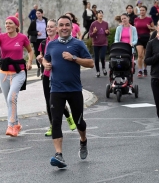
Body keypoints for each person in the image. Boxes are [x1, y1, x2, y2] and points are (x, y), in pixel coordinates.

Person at [43, 15, 94, 168]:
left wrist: (74, 58)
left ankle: (83, 141)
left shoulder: (78, 44)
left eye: (67, 25)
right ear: (57, 28)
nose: (64, 27)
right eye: (61, 25)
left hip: (74, 89)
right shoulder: (51, 45)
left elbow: (91, 63)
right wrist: (45, 64)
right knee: (56, 121)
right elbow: (46, 58)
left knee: (79, 122)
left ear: (71, 27)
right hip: (56, 90)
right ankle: (59, 155)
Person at [0, 16, 34, 137]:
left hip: (19, 73)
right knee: (9, 101)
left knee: (12, 98)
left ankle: (11, 126)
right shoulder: (1, 37)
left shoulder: (22, 38)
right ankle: (16, 123)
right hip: (3, 74)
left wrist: (29, 61)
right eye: (6, 23)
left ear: (16, 25)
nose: (8, 25)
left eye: (10, 23)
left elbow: (30, 51)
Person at [36, 19, 76, 136]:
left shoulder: (61, 42)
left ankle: (68, 116)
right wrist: (41, 60)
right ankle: (52, 126)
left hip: (59, 76)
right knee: (49, 102)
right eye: (48, 27)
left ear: (57, 29)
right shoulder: (43, 43)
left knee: (59, 101)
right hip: (47, 75)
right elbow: (42, 57)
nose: (49, 28)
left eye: (52, 27)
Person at [114, 13, 138, 94]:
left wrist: (132, 44)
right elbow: (116, 39)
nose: (123, 20)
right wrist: (119, 44)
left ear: (128, 18)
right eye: (122, 19)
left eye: (125, 18)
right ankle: (120, 80)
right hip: (120, 49)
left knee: (129, 68)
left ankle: (130, 85)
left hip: (129, 50)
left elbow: (135, 39)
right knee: (119, 65)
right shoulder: (119, 28)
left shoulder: (133, 28)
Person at [134, 5, 155, 77]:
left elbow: (154, 28)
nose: (142, 11)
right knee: (140, 55)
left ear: (146, 11)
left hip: (147, 38)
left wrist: (150, 27)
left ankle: (145, 68)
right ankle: (140, 70)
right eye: (141, 10)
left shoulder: (149, 19)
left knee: (146, 56)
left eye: (143, 10)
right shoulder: (136, 19)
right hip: (139, 38)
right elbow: (134, 29)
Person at [89, 10, 109, 77]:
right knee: (96, 58)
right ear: (96, 15)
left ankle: (103, 68)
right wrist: (94, 32)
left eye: (101, 13)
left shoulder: (105, 23)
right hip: (96, 43)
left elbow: (107, 33)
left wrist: (107, 32)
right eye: (99, 13)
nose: (100, 14)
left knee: (102, 56)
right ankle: (97, 71)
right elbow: (90, 35)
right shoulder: (93, 24)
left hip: (104, 43)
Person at [27, 8, 48, 75]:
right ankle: (39, 67)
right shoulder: (34, 22)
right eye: (37, 13)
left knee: (44, 53)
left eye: (39, 13)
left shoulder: (46, 21)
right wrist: (36, 33)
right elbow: (29, 32)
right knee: (38, 54)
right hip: (37, 40)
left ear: (42, 14)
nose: (38, 15)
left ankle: (43, 67)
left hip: (45, 39)